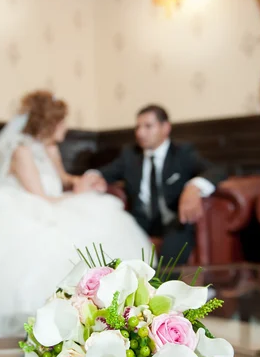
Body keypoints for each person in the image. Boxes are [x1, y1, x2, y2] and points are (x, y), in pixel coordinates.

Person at [0, 91, 152, 339]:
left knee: (104, 214)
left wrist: (86, 181)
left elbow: (63, 179)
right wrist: (78, 194)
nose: (66, 126)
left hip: (55, 203)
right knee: (52, 246)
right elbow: (42, 197)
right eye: (62, 121)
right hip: (33, 206)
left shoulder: (50, 147)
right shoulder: (21, 151)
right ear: (49, 122)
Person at [86, 104, 225, 264]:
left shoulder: (182, 153)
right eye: (138, 127)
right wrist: (90, 178)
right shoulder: (130, 155)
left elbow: (216, 170)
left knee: (172, 251)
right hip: (140, 221)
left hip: (175, 220)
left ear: (165, 128)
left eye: (148, 126)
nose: (140, 133)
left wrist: (193, 187)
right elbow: (104, 172)